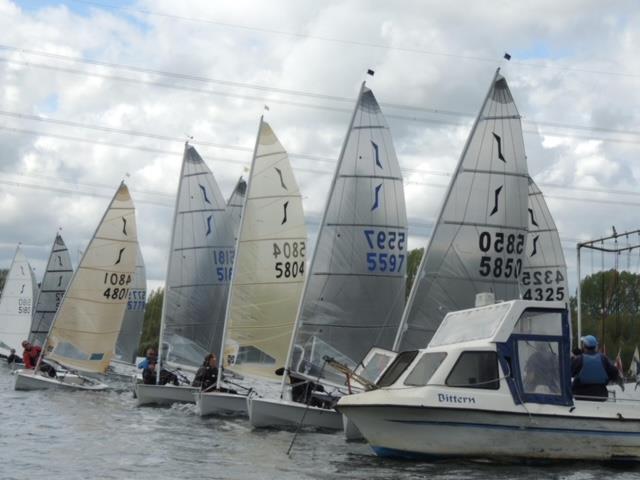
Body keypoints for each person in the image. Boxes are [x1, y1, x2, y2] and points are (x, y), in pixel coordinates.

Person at [571, 335, 621, 401]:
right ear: (595, 346)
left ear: (584, 346)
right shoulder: (603, 358)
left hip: (581, 395)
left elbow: (569, 373)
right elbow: (614, 372)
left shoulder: (579, 359)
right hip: (601, 395)